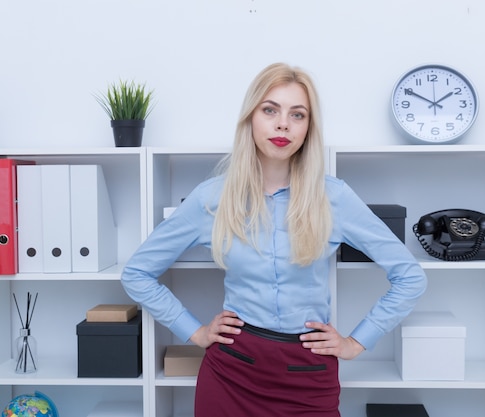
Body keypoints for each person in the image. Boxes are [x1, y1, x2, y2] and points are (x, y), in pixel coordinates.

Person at [121, 62, 427, 417]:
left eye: (297, 114)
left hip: (308, 377)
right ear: (251, 117)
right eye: (270, 110)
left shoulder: (334, 198)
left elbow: (410, 277)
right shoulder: (211, 198)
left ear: (308, 128)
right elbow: (137, 273)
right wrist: (195, 332)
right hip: (231, 372)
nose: (283, 124)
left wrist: (356, 342)